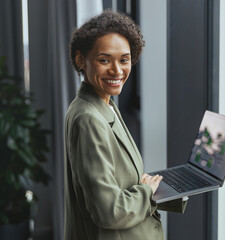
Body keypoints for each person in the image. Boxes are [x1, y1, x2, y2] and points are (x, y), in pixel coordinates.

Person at [64, 10, 186, 240]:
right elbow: (108, 211)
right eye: (104, 60)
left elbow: (116, 182)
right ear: (81, 60)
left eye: (124, 59)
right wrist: (147, 191)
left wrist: (157, 188)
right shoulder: (89, 118)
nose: (117, 70)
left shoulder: (104, 104)